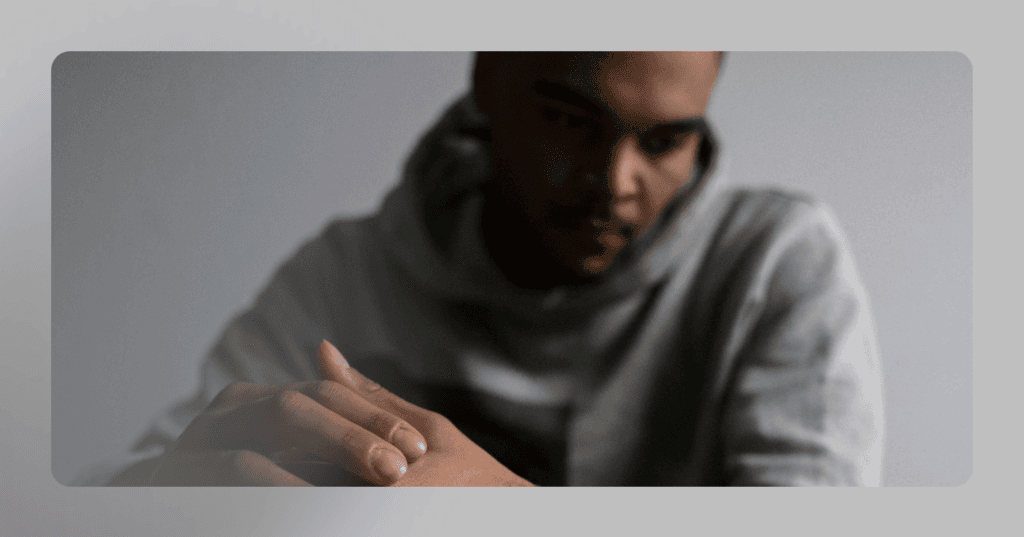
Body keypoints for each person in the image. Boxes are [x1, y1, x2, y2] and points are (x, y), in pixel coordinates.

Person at [81, 51, 885, 487]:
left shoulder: (774, 264)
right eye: (570, 120)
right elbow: (107, 486)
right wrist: (170, 490)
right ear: (488, 79)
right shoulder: (349, 270)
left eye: (666, 141)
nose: (615, 182)